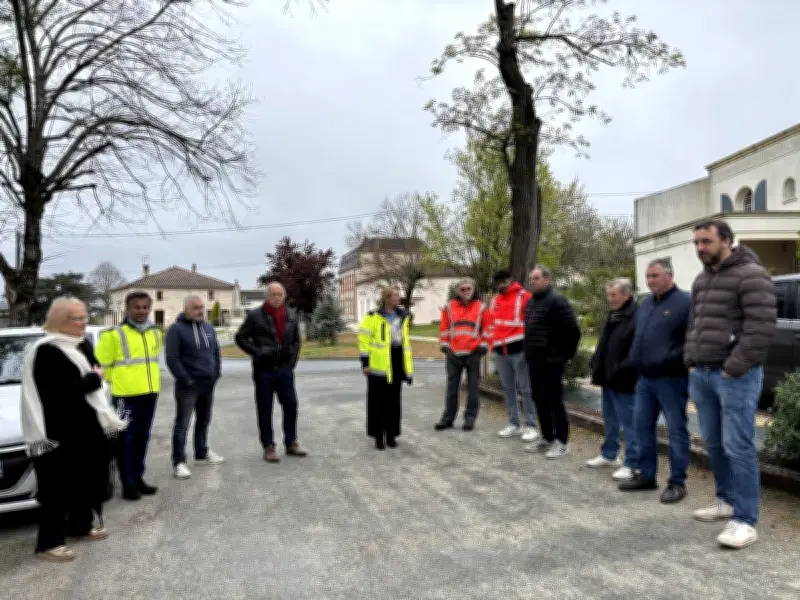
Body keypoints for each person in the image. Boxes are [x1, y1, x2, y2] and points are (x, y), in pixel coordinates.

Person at [685, 220, 776, 549]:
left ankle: (745, 520)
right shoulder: (702, 280)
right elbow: (694, 324)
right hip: (702, 373)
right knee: (713, 441)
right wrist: (690, 359)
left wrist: (733, 367)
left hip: (735, 376)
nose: (700, 248)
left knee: (738, 445)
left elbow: (761, 326)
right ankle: (725, 500)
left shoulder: (752, 275)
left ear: (726, 240)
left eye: (706, 241)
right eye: (697, 242)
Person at [20, 297, 127, 562]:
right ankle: (49, 543)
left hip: (88, 428)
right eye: (77, 318)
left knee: (86, 481)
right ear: (60, 321)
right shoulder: (48, 351)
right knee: (57, 488)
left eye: (84, 317)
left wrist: (94, 378)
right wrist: (94, 379)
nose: (84, 323)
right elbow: (66, 390)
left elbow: (95, 369)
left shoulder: (81, 344)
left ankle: (80, 527)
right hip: (60, 432)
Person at [620, 258, 691, 504]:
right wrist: (634, 356)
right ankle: (647, 475)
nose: (650, 281)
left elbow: (691, 340)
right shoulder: (646, 303)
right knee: (641, 427)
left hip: (672, 379)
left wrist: (668, 358)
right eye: (648, 276)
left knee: (676, 430)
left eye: (655, 276)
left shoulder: (685, 302)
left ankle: (677, 482)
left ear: (669, 276)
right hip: (645, 379)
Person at [95, 291, 163, 501]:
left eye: (145, 307)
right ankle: (128, 484)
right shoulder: (113, 334)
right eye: (137, 307)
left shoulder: (155, 332)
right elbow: (101, 366)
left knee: (142, 438)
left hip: (149, 394)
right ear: (128, 309)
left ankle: (138, 477)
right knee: (126, 441)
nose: (141, 311)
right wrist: (119, 383)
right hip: (126, 396)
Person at [235, 282, 308, 462]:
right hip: (264, 371)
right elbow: (240, 337)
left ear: (284, 296)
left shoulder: (291, 315)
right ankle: (268, 446)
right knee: (265, 409)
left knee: (291, 405)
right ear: (267, 296)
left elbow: (296, 341)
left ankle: (291, 443)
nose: (276, 297)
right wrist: (257, 352)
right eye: (273, 294)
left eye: (279, 294)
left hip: (285, 370)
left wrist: (291, 364)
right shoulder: (255, 315)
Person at [522, 265, 581, 459]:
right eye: (531, 278)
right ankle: (547, 437)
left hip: (552, 362)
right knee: (539, 400)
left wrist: (563, 355)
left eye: (536, 278)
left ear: (547, 280)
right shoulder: (531, 302)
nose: (532, 281)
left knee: (554, 401)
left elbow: (573, 331)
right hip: (534, 361)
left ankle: (562, 442)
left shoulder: (557, 301)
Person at [165, 295, 224, 480]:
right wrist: (187, 380)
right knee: (182, 424)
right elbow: (172, 359)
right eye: (196, 308)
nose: (200, 311)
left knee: (204, 420)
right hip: (188, 386)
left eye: (202, 307)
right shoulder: (176, 329)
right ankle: (179, 462)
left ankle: (201, 452)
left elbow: (216, 352)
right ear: (186, 309)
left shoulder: (208, 328)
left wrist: (216, 373)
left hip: (208, 383)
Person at [587, 278, 640, 481]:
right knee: (610, 418)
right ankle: (609, 454)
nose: (610, 299)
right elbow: (604, 343)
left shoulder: (636, 316)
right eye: (608, 295)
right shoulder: (612, 314)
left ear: (627, 295)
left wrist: (620, 368)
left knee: (630, 422)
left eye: (614, 295)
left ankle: (633, 463)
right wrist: (596, 362)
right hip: (607, 376)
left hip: (625, 379)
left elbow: (636, 350)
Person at [357, 286, 414, 450]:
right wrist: (365, 362)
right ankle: (378, 437)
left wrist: (407, 369)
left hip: (397, 363)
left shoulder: (402, 316)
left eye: (398, 295)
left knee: (394, 402)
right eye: (395, 295)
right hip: (378, 366)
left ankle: (391, 435)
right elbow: (363, 341)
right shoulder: (372, 317)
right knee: (378, 404)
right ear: (387, 298)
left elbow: (405, 342)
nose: (398, 298)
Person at [434, 278, 492, 431]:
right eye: (463, 289)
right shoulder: (449, 307)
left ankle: (470, 419)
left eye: (468, 288)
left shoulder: (481, 308)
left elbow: (488, 328)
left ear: (473, 289)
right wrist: (445, 345)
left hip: (473, 353)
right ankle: (447, 419)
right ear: (458, 291)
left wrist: (483, 345)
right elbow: (444, 327)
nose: (466, 291)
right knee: (452, 389)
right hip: (453, 353)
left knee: (473, 389)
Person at [488, 270, 538, 441]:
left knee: (526, 389)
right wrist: (492, 345)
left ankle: (531, 425)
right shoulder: (494, 300)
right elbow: (492, 324)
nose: (500, 285)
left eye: (503, 281)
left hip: (519, 350)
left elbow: (532, 323)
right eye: (497, 282)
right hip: (500, 351)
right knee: (508, 389)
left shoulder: (525, 297)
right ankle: (513, 423)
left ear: (510, 280)